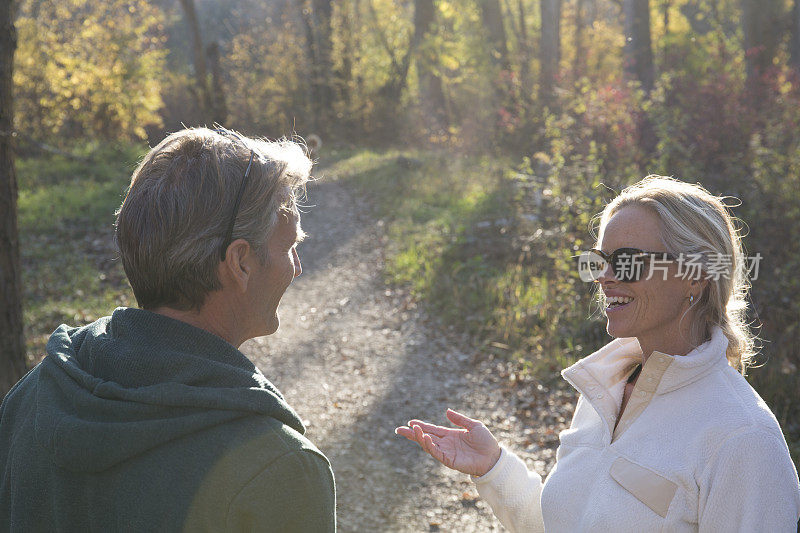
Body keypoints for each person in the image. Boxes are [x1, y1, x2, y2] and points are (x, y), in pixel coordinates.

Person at [396, 176, 800, 532]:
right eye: (600, 261)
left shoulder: (744, 440)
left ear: (695, 274)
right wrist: (495, 468)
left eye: (626, 262)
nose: (605, 277)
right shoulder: (604, 389)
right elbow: (563, 524)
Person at [0, 127, 336, 532]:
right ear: (241, 262)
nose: (296, 267)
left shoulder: (31, 399)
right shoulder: (278, 468)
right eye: (290, 247)